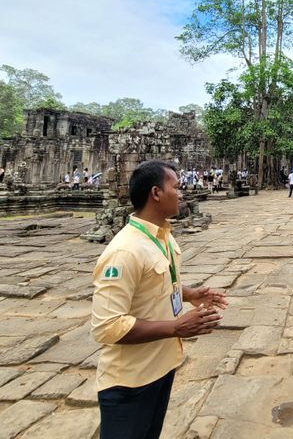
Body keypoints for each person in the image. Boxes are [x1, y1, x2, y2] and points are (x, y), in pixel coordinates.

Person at [91, 160, 227, 439]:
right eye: (176, 187)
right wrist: (175, 328)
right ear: (156, 193)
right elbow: (108, 326)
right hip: (129, 381)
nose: (183, 192)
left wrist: (190, 294)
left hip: (160, 367)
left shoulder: (162, 236)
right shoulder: (125, 251)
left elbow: (159, 282)